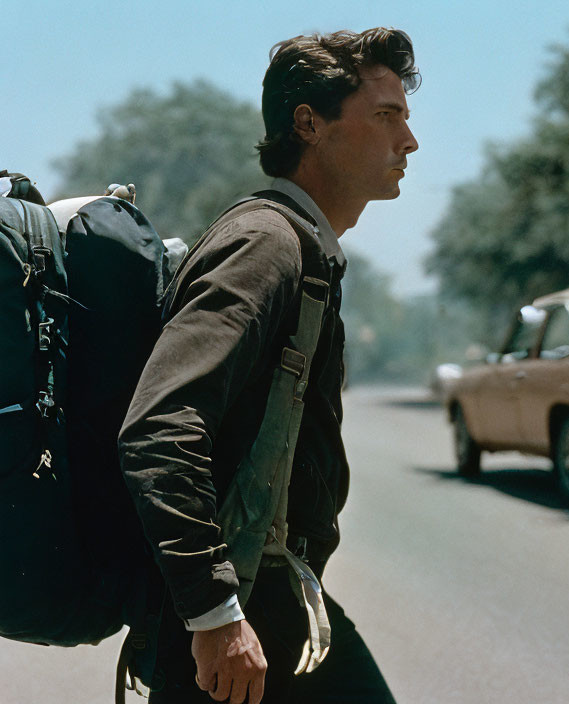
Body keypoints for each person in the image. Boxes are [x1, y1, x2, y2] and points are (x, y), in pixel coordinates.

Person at [118, 28, 419, 703]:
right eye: (385, 115)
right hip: (238, 613)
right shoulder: (265, 244)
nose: (409, 140)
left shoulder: (302, 247)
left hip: (271, 598)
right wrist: (215, 613)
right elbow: (160, 426)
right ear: (309, 124)